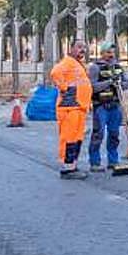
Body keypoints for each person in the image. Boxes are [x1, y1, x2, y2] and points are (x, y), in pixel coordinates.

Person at [49, 39, 93, 179]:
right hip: (69, 108)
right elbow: (55, 73)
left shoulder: (78, 64)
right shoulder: (67, 63)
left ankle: (72, 165)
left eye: (84, 47)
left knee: (77, 137)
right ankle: (67, 168)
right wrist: (64, 88)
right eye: (79, 47)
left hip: (79, 107)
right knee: (69, 138)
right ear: (71, 48)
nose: (82, 50)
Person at [88, 41, 128, 172]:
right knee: (98, 133)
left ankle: (113, 161)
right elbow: (92, 87)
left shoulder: (118, 67)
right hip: (101, 105)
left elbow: (127, 83)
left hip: (115, 105)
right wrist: (109, 82)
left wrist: (120, 83)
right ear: (102, 53)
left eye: (112, 52)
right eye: (108, 52)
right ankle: (95, 162)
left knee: (114, 133)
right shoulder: (95, 67)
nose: (111, 55)